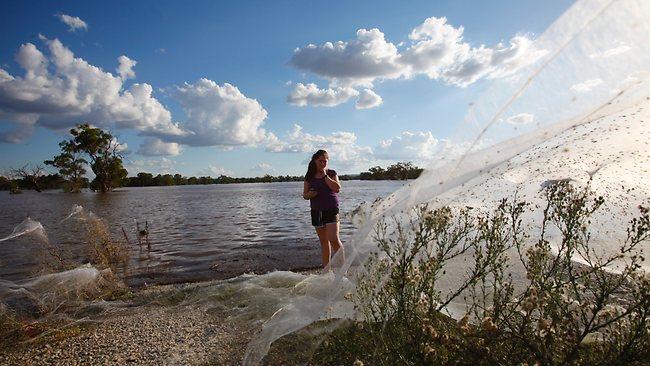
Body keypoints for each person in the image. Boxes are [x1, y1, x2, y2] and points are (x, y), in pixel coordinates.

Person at [303, 149, 345, 269]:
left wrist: (325, 175)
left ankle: (343, 270)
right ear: (315, 161)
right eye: (320, 161)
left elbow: (337, 188)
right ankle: (327, 271)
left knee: (334, 239)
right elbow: (305, 195)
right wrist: (310, 195)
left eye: (325, 161)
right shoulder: (309, 176)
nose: (322, 163)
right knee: (324, 242)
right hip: (316, 211)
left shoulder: (331, 173)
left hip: (331, 209)